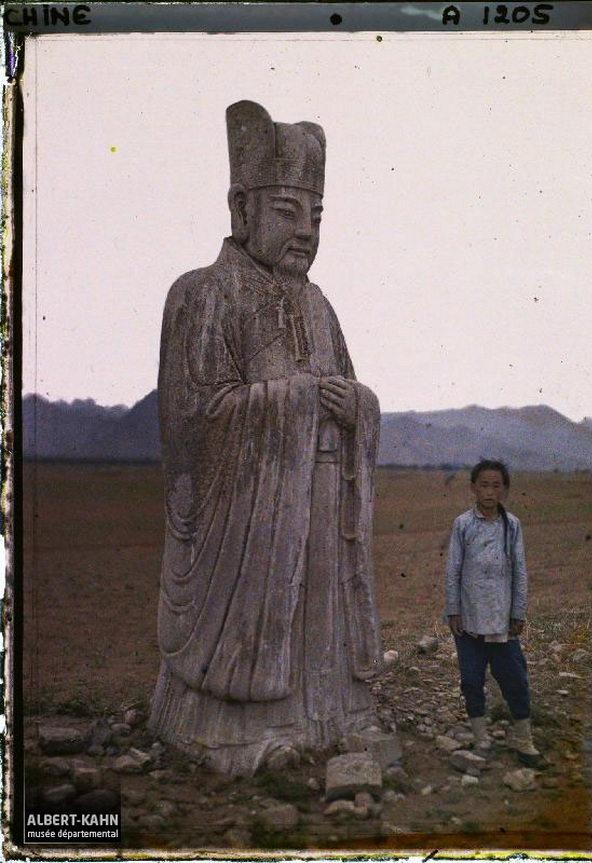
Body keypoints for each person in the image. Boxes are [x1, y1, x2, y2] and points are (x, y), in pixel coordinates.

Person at [148, 100, 381, 777]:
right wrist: (298, 401)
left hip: (317, 505)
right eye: (288, 211)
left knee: (318, 621)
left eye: (316, 215)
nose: (306, 230)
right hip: (248, 529)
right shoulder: (202, 295)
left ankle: (328, 712)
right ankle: (243, 722)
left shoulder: (319, 304)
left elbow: (354, 393)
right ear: (240, 207)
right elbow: (191, 424)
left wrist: (355, 406)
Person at [445, 460, 541, 765]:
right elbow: (453, 570)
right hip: (470, 620)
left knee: (514, 678)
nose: (489, 491)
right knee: (471, 680)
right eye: (483, 485)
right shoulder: (462, 525)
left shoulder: (512, 525)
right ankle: (481, 739)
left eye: (496, 485)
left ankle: (524, 740)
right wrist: (453, 611)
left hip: (502, 620)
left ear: (505, 490)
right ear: (473, 488)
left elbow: (520, 571)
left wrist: (518, 613)